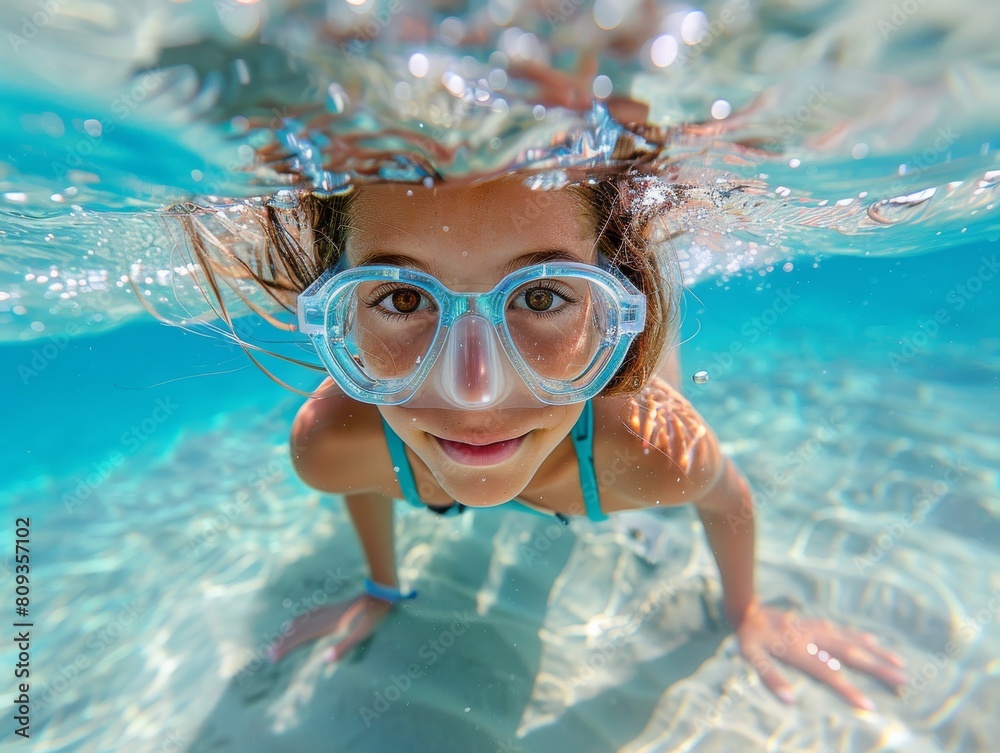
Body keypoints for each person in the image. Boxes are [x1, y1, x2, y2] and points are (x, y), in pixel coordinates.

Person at [178, 159, 907, 711]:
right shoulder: (333, 443)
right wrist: (381, 585)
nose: (476, 392)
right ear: (341, 322)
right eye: (403, 298)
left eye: (541, 294)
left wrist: (747, 610)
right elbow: (364, 479)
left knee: (657, 387)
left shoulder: (650, 450)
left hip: (598, 437)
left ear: (607, 308)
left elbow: (727, 497)